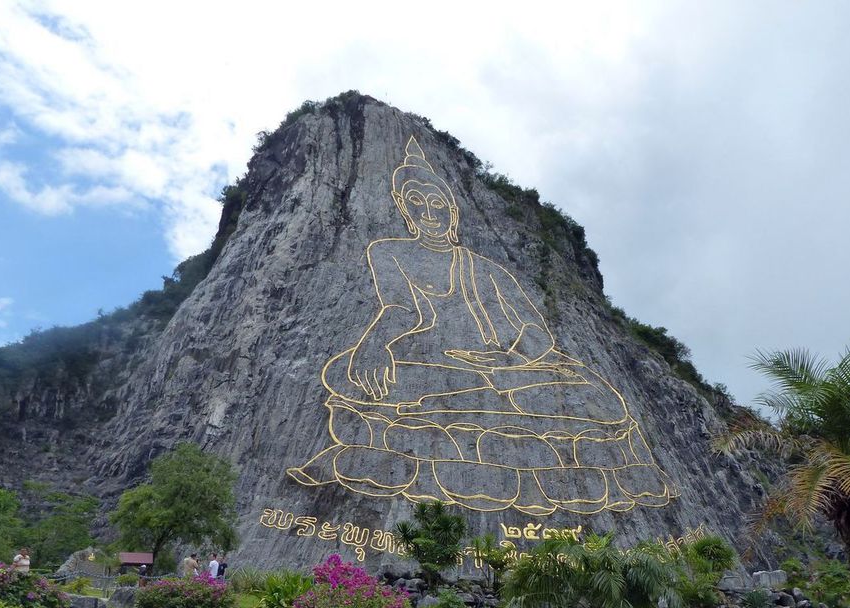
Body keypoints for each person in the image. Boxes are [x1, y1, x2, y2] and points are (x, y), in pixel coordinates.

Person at [288, 136, 676, 516]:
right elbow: (402, 309)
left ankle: (449, 424)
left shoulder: (485, 268)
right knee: (349, 374)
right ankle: (468, 424)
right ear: (405, 211)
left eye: (438, 204)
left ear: (452, 213)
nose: (428, 213)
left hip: (502, 372)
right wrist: (372, 344)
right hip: (430, 365)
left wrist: (508, 361)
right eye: (416, 203)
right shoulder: (389, 252)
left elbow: (537, 332)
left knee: (596, 398)